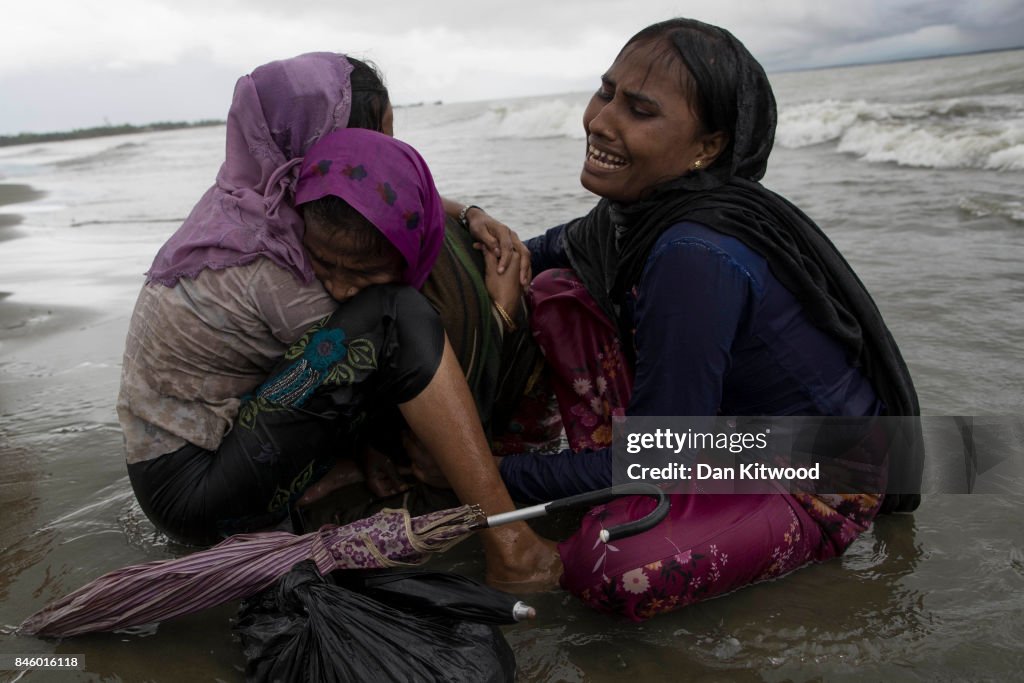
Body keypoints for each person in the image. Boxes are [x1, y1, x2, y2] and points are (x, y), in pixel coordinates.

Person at [495, 18, 924, 619]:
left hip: (818, 468)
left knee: (607, 568)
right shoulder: (630, 216)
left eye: (640, 111)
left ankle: (612, 497)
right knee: (556, 290)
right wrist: (472, 217)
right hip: (719, 432)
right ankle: (594, 482)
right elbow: (533, 253)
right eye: (606, 91)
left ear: (708, 147)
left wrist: (491, 480)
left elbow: (661, 454)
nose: (600, 120)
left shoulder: (694, 253)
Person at [116, 52, 559, 590]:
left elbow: (391, 197)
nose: (382, 154)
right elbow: (400, 363)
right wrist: (500, 316)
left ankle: (343, 470)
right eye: (376, 136)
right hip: (198, 490)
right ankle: (510, 546)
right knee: (398, 319)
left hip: (185, 457)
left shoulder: (257, 196)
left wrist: (471, 213)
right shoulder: (276, 258)